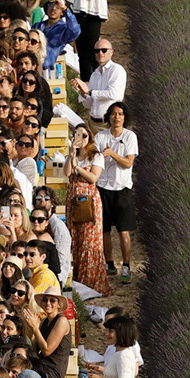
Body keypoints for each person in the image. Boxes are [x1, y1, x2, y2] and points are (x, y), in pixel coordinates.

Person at [94, 103, 137, 277]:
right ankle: (109, 263)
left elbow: (128, 163)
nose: (116, 117)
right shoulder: (100, 136)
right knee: (104, 230)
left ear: (124, 117)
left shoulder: (130, 137)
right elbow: (94, 159)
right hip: (103, 187)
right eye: (113, 114)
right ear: (108, 117)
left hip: (122, 188)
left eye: (120, 114)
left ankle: (126, 265)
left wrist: (112, 154)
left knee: (123, 230)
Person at [65, 124, 108, 291]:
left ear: (89, 138)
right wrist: (71, 155)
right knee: (75, 238)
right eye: (77, 135)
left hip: (89, 200)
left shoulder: (95, 156)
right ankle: (77, 281)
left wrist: (77, 167)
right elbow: (67, 174)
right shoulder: (73, 155)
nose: (80, 139)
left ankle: (91, 282)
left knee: (89, 241)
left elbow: (93, 178)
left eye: (84, 136)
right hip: (73, 200)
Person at [71, 38, 126, 123]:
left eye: (104, 50)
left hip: (108, 124)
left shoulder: (116, 70)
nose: (100, 53)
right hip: (93, 122)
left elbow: (113, 94)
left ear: (111, 52)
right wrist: (82, 92)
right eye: (97, 51)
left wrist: (89, 92)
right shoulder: (94, 74)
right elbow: (89, 105)